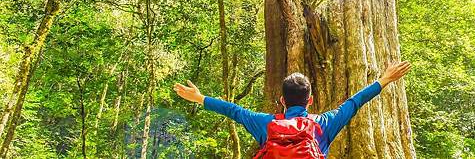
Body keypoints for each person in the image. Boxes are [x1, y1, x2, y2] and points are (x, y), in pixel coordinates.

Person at [174, 61, 411, 158]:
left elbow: (234, 110)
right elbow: (354, 102)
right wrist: (385, 79)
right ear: (310, 100)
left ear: (281, 100)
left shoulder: (265, 124)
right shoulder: (324, 123)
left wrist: (200, 98)